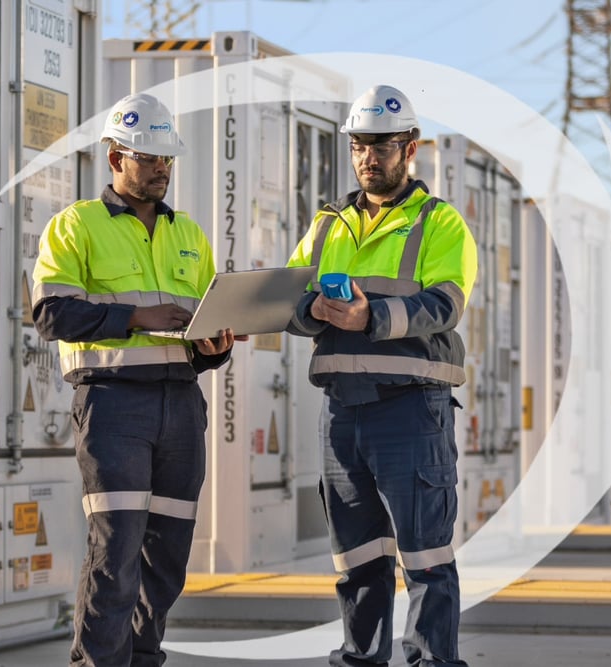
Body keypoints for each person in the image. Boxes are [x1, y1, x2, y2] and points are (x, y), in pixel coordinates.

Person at [32, 92, 239, 667]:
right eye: (147, 157)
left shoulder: (189, 235)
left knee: (168, 555)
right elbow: (51, 314)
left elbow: (199, 330)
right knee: (116, 549)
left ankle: (143, 659)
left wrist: (213, 348)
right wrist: (134, 319)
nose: (160, 169)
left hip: (180, 405)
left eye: (166, 158)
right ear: (114, 157)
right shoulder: (76, 226)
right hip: (112, 407)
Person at [287, 84, 477, 667]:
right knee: (357, 560)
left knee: (425, 558)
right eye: (359, 145)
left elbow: (446, 303)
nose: (369, 156)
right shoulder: (328, 225)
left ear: (410, 147)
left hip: (410, 411)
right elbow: (288, 295)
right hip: (342, 413)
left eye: (382, 145)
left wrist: (375, 315)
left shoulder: (439, 223)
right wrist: (308, 310)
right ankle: (360, 658)